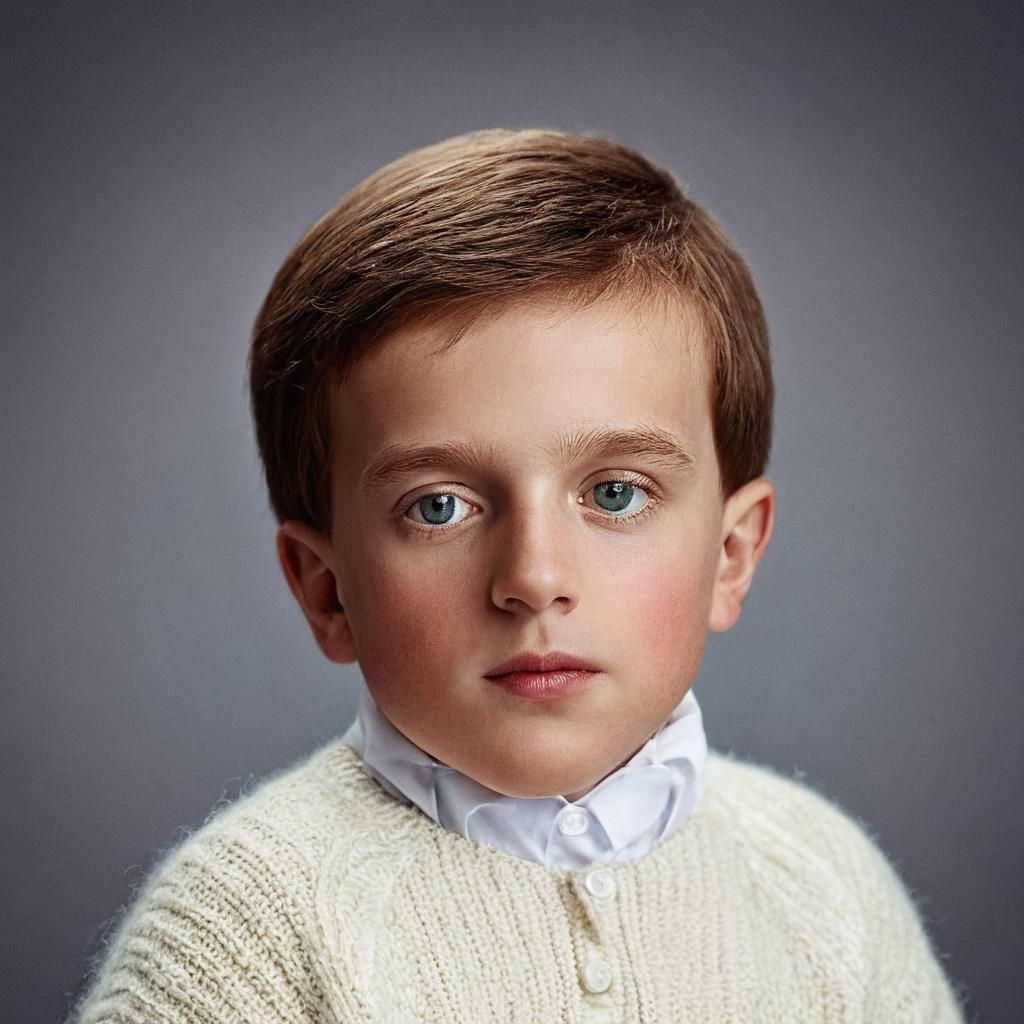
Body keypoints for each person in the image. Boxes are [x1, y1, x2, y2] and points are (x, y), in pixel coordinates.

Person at [70, 128, 964, 1022]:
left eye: (615, 493)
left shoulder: (828, 889)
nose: (534, 579)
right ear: (325, 589)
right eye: (439, 507)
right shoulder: (235, 938)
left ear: (731, 557)